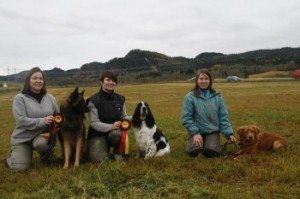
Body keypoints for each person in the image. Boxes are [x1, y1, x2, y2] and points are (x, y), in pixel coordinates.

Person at [6, 67, 59, 171]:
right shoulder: (19, 98)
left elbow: (58, 115)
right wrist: (42, 121)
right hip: (23, 139)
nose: (38, 81)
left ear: (44, 81)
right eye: (34, 78)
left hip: (42, 137)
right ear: (28, 80)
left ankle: (46, 155)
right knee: (19, 168)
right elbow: (21, 120)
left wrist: (57, 126)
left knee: (44, 144)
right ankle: (14, 155)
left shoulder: (50, 98)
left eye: (41, 78)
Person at [182, 69, 236, 158]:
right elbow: (186, 118)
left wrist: (229, 134)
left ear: (210, 81)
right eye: (201, 79)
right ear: (197, 81)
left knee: (211, 152)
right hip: (197, 131)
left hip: (212, 131)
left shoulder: (217, 96)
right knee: (194, 152)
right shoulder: (189, 97)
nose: (204, 81)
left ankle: (209, 142)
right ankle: (196, 140)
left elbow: (223, 117)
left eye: (206, 79)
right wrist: (195, 133)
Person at [87, 71, 131, 162]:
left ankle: (117, 152)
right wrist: (111, 126)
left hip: (114, 133)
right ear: (101, 82)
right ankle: (103, 148)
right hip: (97, 134)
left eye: (113, 80)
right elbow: (94, 123)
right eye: (108, 80)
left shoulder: (121, 99)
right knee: (100, 161)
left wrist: (137, 117)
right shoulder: (93, 100)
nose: (111, 82)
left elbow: (124, 117)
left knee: (117, 134)